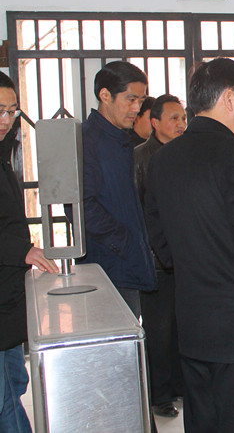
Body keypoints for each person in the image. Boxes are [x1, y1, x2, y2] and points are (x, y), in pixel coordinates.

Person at [145, 58, 234, 433]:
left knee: (204, 422)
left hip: (193, 323)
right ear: (228, 99)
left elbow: (160, 239)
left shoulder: (162, 159)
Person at [0, 71, 59, 433]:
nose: (5, 119)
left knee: (14, 384)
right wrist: (23, 250)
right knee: (5, 403)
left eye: (11, 111)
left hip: (8, 298)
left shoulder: (4, 155)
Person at [79, 61, 156, 318]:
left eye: (141, 101)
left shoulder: (121, 139)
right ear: (105, 95)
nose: (137, 108)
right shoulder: (87, 141)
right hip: (107, 268)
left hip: (128, 265)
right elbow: (81, 206)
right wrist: (124, 242)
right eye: (130, 99)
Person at [134, 94, 187, 419]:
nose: (181, 124)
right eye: (174, 118)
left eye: (183, 118)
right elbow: (140, 211)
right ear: (155, 123)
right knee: (159, 330)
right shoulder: (140, 157)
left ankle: (180, 386)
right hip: (154, 259)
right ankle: (160, 394)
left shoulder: (185, 154)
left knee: (181, 326)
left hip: (184, 257)